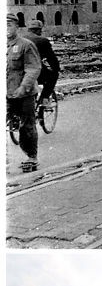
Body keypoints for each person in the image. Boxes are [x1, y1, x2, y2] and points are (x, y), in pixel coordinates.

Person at [6, 12, 42, 171]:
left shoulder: (25, 45)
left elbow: (33, 68)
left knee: (26, 126)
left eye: (9, 25)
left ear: (17, 27)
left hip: (24, 93)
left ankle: (31, 157)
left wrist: (24, 87)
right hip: (7, 92)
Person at [24, 19, 60, 122]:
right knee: (53, 76)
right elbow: (51, 58)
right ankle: (44, 100)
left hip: (20, 73)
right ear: (38, 30)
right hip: (36, 73)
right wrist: (55, 68)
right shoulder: (43, 41)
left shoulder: (20, 39)